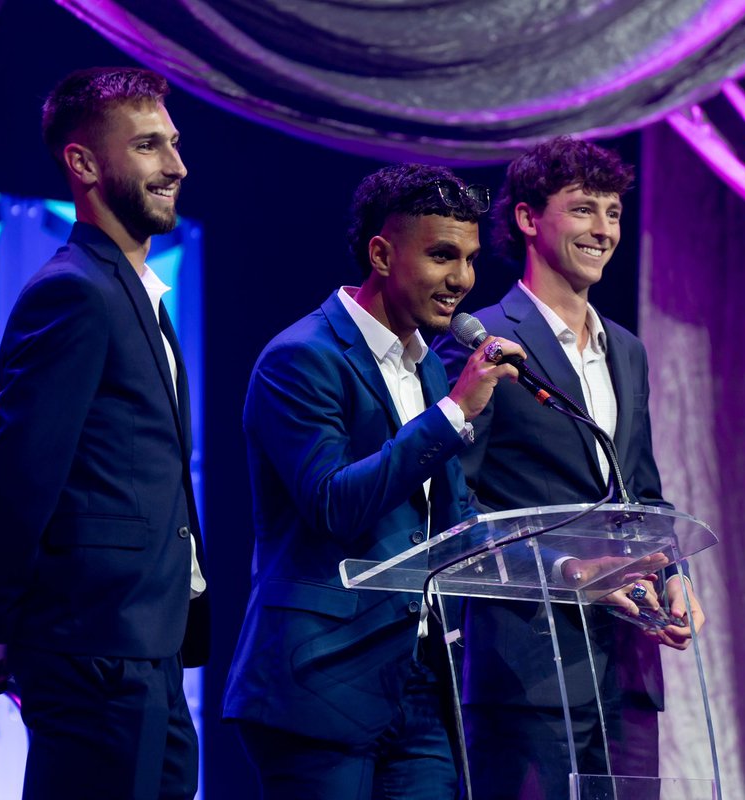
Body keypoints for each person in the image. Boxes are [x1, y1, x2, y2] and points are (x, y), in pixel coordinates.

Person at [0, 66, 208, 800]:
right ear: (83, 163)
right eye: (149, 146)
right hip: (97, 652)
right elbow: (19, 479)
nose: (176, 165)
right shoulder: (74, 291)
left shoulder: (133, 294)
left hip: (147, 646)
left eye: (174, 144)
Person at [222, 164, 522, 799]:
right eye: (443, 256)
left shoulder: (427, 371)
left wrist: (578, 572)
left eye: (469, 259)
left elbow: (457, 524)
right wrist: (455, 413)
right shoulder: (302, 358)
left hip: (415, 684)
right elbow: (333, 503)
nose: (463, 280)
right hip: (320, 683)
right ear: (382, 254)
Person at [433, 136, 706, 798]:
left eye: (613, 212)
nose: (604, 229)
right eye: (584, 209)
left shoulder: (629, 351)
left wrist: (675, 573)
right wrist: (564, 572)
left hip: (629, 669)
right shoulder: (485, 343)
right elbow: (454, 509)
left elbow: (642, 493)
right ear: (529, 218)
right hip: (528, 671)